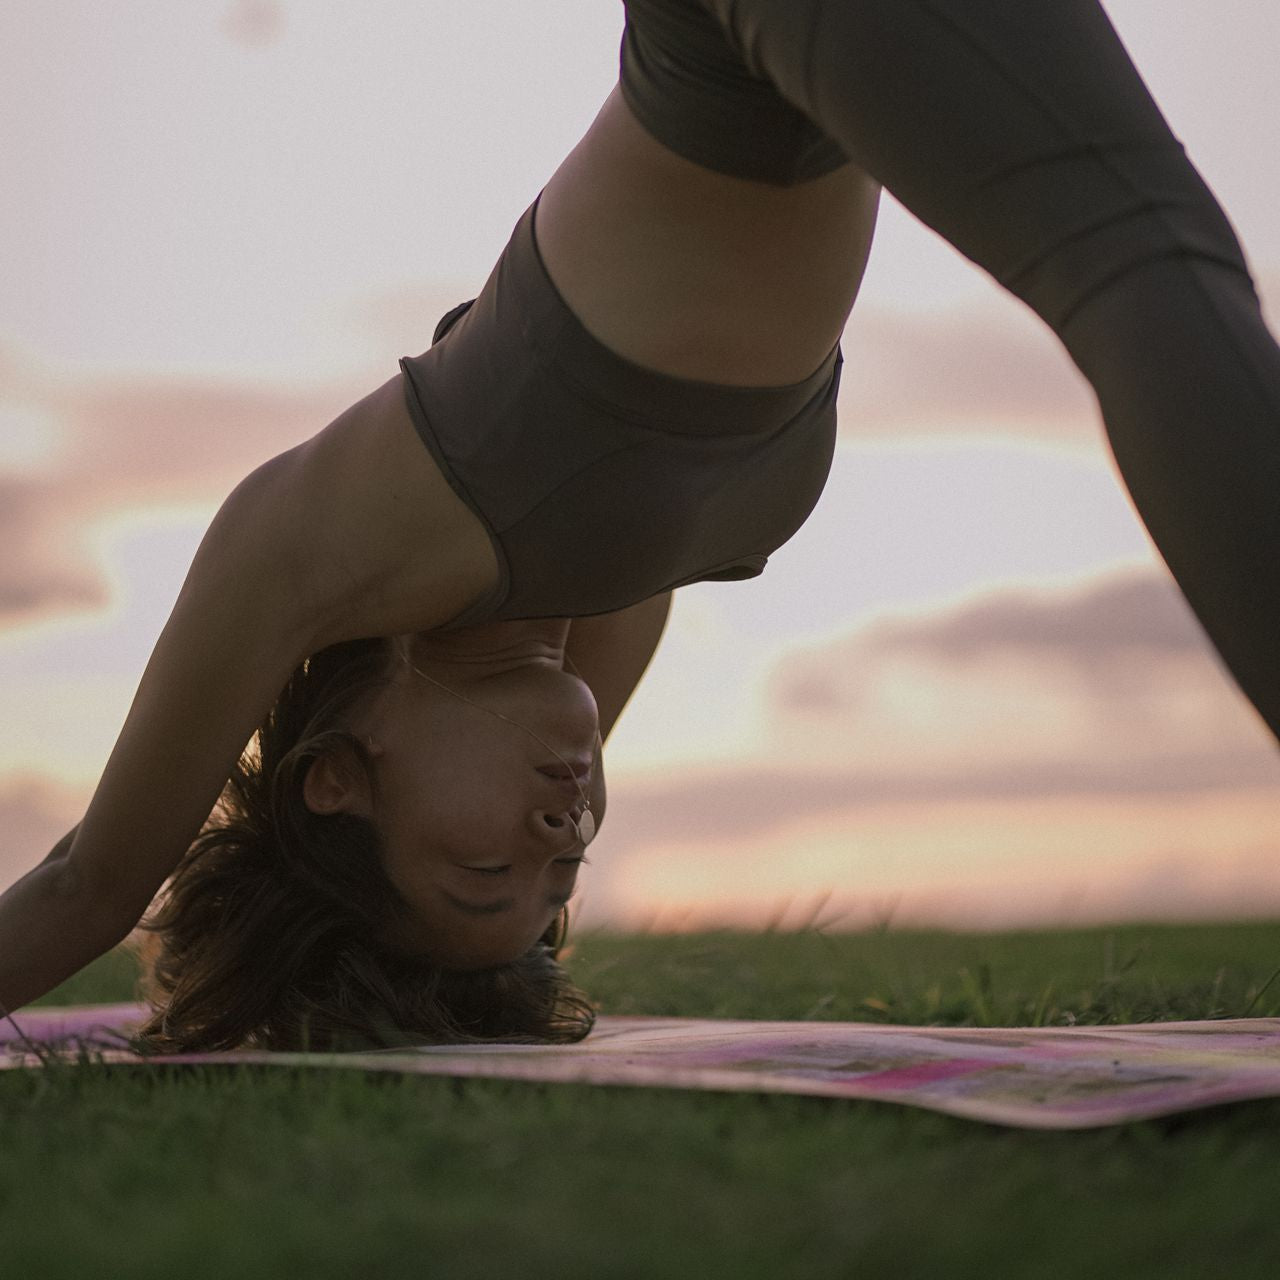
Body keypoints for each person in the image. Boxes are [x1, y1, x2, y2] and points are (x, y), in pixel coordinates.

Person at [2, 0, 1277, 1050]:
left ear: (335, 779)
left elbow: (89, 887)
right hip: (780, 71)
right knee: (1142, 262)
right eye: (557, 882)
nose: (560, 840)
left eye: (484, 875)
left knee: (1140, 265)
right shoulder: (605, 603)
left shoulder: (315, 545)